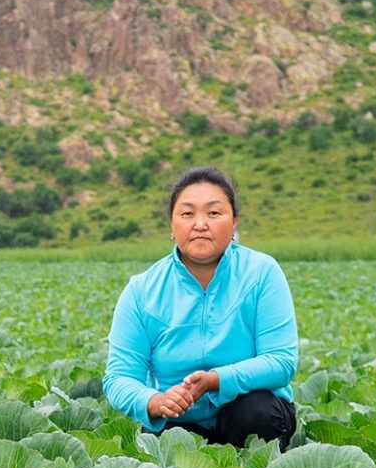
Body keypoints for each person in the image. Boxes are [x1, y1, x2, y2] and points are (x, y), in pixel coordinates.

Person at [103, 165, 298, 448]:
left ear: (234, 224)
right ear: (172, 225)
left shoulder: (261, 273)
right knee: (168, 445)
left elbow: (281, 362)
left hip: (249, 414)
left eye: (214, 213)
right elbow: (119, 377)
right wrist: (156, 402)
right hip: (180, 420)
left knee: (255, 413)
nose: (200, 224)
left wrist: (217, 380)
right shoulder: (141, 290)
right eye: (187, 213)